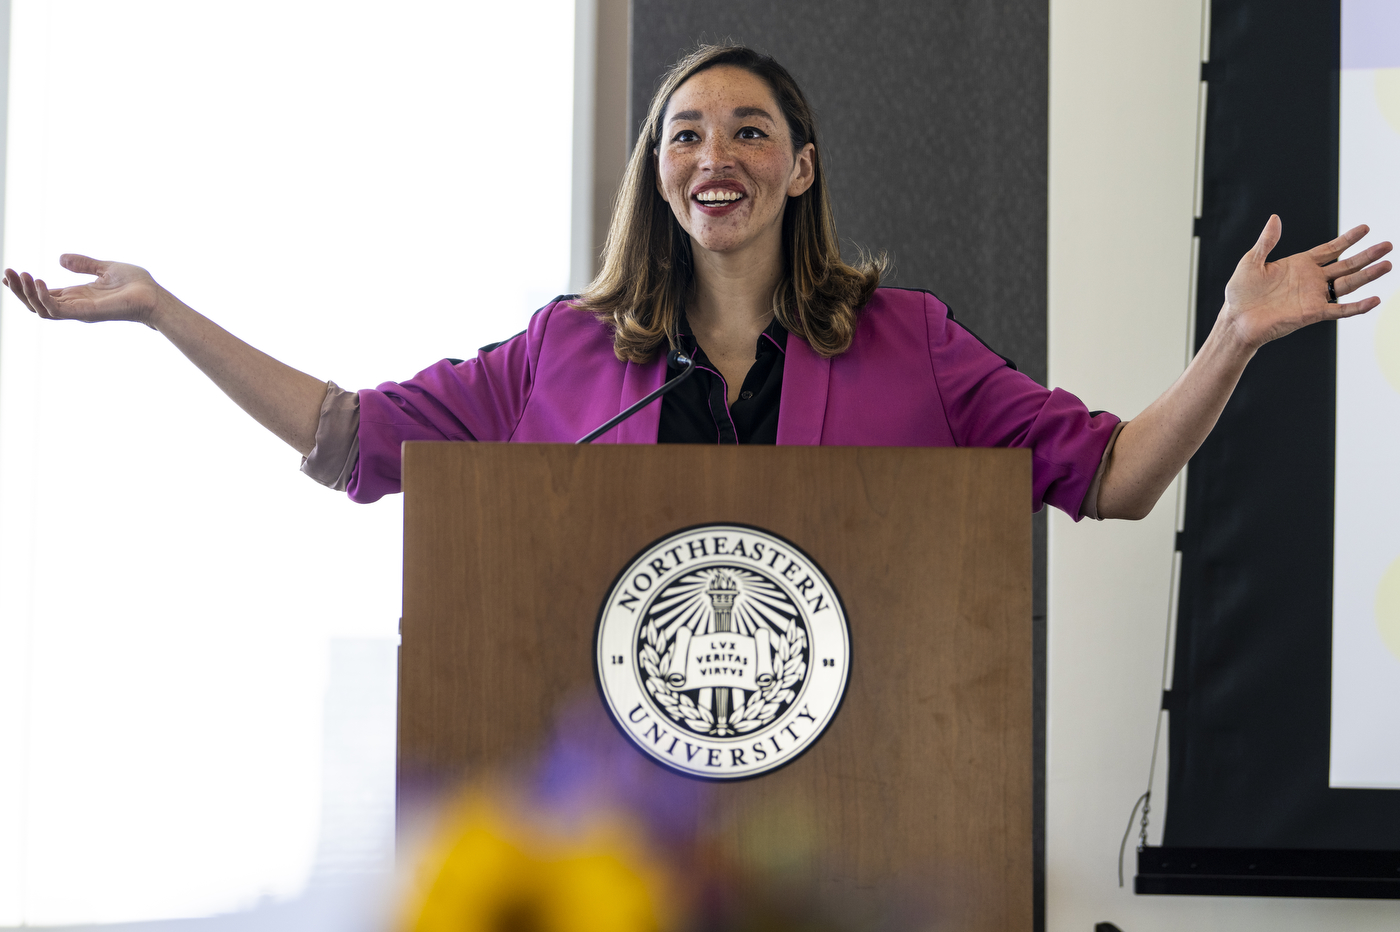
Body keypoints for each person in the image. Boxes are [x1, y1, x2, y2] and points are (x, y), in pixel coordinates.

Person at [3, 45, 1392, 519]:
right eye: (682, 133)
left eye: (746, 132)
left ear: (799, 171)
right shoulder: (559, 358)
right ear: (656, 176)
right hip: (619, 821)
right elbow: (346, 441)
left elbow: (1113, 478)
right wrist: (163, 311)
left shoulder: (912, 344)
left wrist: (1231, 343)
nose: (711, 153)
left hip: (858, 818)